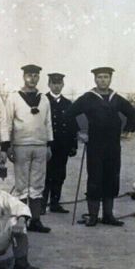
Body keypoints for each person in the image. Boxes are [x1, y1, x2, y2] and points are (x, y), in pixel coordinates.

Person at [65, 67, 135, 226]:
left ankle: (108, 215)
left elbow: (133, 114)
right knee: (95, 178)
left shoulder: (116, 98)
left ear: (110, 79)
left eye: (106, 77)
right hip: (95, 145)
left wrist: (128, 131)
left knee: (112, 178)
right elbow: (69, 114)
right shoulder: (88, 98)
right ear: (95, 79)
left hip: (113, 145)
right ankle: (92, 215)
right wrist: (79, 133)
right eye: (100, 77)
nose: (103, 80)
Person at [5, 64, 53, 232]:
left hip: (40, 145)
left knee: (37, 184)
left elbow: (48, 123)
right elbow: (8, 122)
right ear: (23, 76)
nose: (32, 78)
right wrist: (8, 145)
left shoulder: (44, 98)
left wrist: (48, 144)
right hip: (21, 145)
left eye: (35, 75)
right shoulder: (14, 97)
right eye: (29, 75)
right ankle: (21, 220)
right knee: (22, 185)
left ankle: (36, 220)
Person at [42, 72, 78, 213]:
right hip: (47, 144)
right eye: (54, 83)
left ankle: (55, 204)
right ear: (49, 84)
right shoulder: (43, 100)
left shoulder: (68, 103)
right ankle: (42, 204)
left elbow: (72, 126)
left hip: (63, 145)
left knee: (60, 174)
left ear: (63, 85)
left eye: (59, 84)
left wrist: (73, 145)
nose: (56, 87)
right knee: (46, 174)